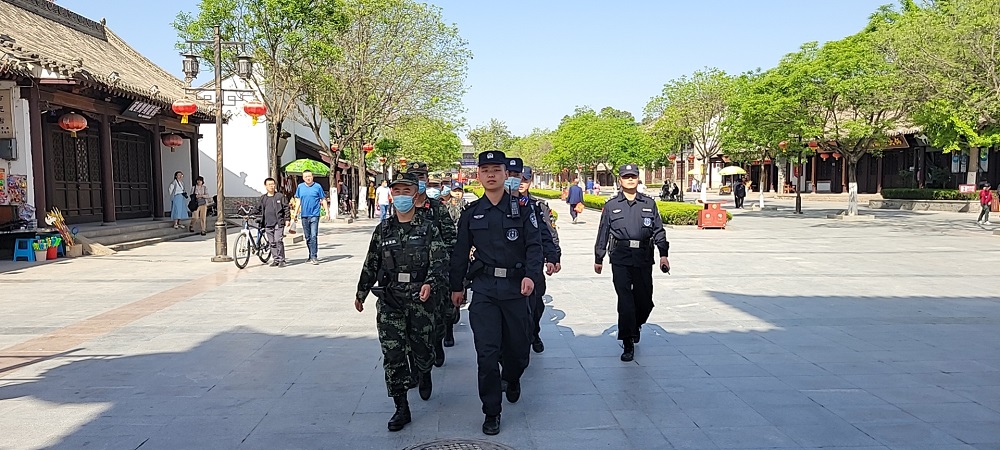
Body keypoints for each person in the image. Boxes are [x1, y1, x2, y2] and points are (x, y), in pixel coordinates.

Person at [450, 150, 542, 436]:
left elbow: (534, 247)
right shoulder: (470, 214)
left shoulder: (523, 210)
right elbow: (460, 253)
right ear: (478, 176)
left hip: (516, 289)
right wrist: (456, 287)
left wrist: (531, 276)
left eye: (497, 169)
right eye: (485, 170)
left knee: (517, 349)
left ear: (506, 174)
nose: (491, 174)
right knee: (486, 354)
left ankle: (512, 377)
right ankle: (492, 410)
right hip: (485, 291)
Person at [355, 172, 447, 432]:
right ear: (392, 195)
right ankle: (401, 407)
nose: (401, 196)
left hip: (420, 299)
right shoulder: (383, 229)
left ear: (415, 193)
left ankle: (424, 369)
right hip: (391, 299)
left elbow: (440, 262)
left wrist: (430, 283)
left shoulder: (428, 228)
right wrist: (361, 292)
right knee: (393, 354)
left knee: (422, 348)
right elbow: (371, 262)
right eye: (397, 192)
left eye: (407, 191)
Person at [594, 164, 670, 362]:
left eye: (633, 177)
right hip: (620, 256)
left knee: (645, 301)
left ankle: (635, 324)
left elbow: (658, 230)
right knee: (626, 301)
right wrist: (598, 257)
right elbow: (603, 231)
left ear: (638, 179)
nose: (630, 180)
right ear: (620, 180)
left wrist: (663, 254)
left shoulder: (649, 204)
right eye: (626, 177)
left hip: (644, 257)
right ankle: (627, 341)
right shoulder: (611, 205)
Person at [408, 162, 457, 367]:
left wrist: (447, 267)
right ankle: (416, 367)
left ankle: (437, 342)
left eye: (421, 177)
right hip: (410, 274)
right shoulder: (402, 210)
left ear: (427, 180)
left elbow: (451, 239)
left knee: (439, 314)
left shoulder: (437, 208)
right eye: (414, 177)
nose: (419, 181)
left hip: (436, 271)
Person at [514, 165, 561, 353]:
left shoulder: (538, 206)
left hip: (533, 264)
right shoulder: (500, 203)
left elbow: (548, 234)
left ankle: (534, 332)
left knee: (536, 304)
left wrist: (553, 256)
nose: (521, 184)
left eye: (525, 180)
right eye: (518, 179)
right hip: (512, 265)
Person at [294, 170, 328, 265]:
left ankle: (314, 256)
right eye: (306, 177)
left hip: (314, 214)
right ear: (303, 178)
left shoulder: (317, 187)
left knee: (313, 236)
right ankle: (310, 254)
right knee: (308, 237)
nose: (308, 178)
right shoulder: (300, 187)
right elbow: (298, 201)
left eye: (309, 176)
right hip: (304, 215)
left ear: (312, 177)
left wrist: (327, 212)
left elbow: (323, 199)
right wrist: (295, 214)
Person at [256, 178, 290, 267]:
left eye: (273, 184)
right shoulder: (263, 198)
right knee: (272, 242)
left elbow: (286, 208)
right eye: (269, 184)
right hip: (267, 223)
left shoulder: (280, 196)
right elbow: (258, 209)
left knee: (278, 240)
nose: (271, 186)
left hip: (278, 223)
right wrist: (248, 214)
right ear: (265, 186)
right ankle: (276, 259)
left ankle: (282, 259)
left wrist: (287, 219)